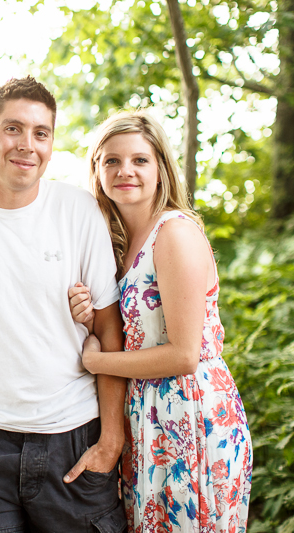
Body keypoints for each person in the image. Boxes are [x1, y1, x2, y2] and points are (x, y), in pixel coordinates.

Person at [0, 76, 128, 533]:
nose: (27, 145)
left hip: (74, 437)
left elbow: (111, 327)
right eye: (13, 129)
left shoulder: (78, 211)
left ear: (51, 143)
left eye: (41, 132)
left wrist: (112, 437)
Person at [68, 110, 253, 532]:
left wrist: (97, 362)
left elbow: (185, 355)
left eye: (139, 160)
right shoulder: (120, 242)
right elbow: (133, 328)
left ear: (160, 168)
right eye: (111, 160)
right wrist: (86, 314)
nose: (124, 171)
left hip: (191, 413)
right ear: (96, 170)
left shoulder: (174, 232)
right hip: (148, 418)